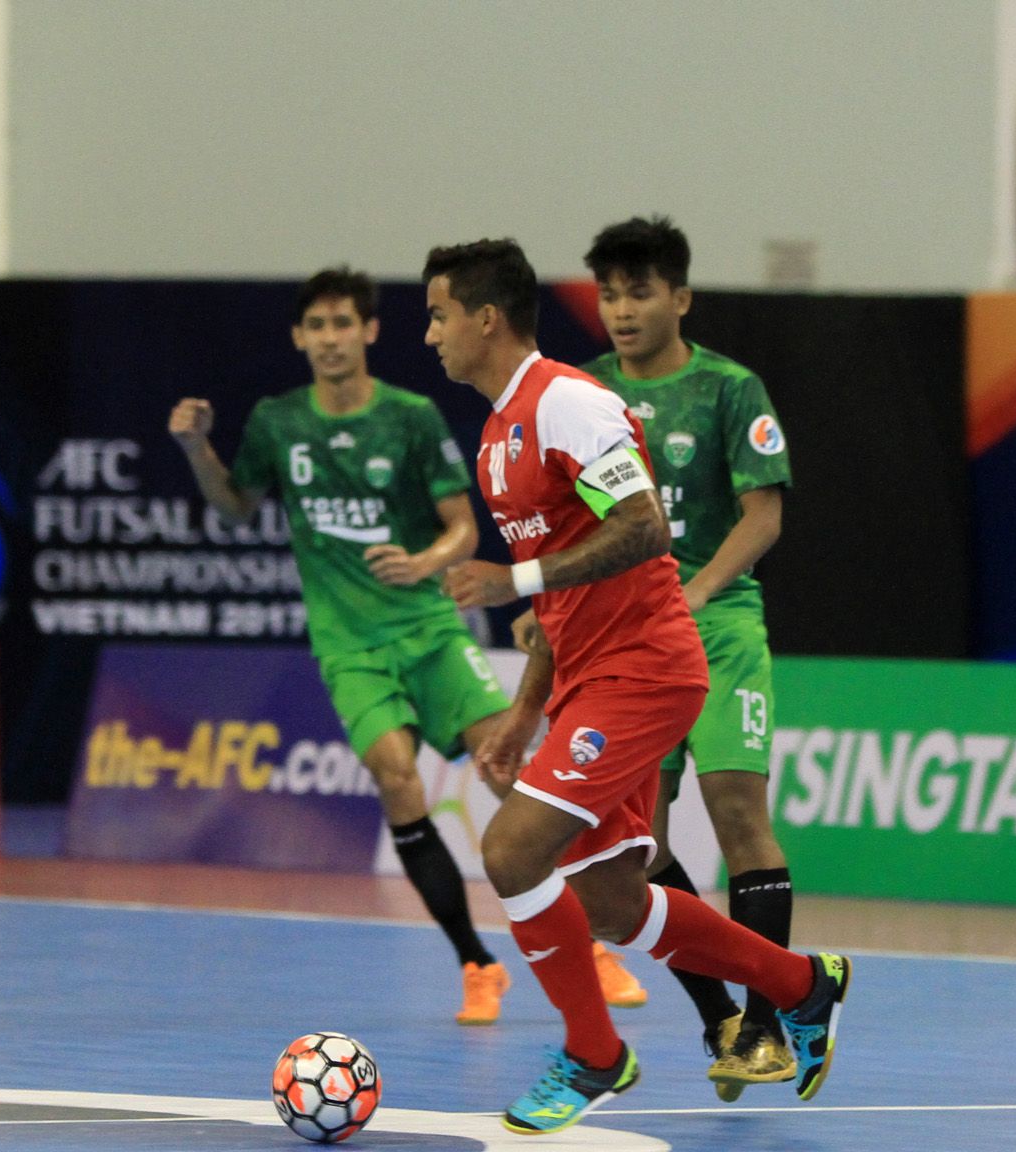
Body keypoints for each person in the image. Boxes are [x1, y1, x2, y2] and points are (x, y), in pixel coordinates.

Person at [425, 238, 848, 1134]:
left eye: (438, 315)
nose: (432, 336)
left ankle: (594, 1054)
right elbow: (564, 590)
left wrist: (513, 583)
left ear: (486, 318)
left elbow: (648, 526)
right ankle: (803, 985)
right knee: (611, 901)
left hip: (648, 668)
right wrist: (526, 709)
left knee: (509, 853)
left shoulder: (568, 402)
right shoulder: (500, 434)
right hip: (586, 677)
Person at [167, 266, 648, 1026]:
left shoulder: (412, 416)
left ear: (368, 332)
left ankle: (591, 941)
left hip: (427, 628)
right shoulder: (277, 421)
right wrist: (198, 449)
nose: (329, 339)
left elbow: (461, 525)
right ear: (299, 338)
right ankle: (477, 963)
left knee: (506, 766)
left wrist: (426, 561)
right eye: (315, 327)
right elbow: (234, 508)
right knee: (396, 777)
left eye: (343, 324)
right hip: (348, 643)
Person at [572, 214, 800, 1099]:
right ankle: (722, 1019)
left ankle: (773, 1019)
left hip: (719, 625)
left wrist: (697, 590)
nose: (622, 310)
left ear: (681, 297)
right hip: (626, 638)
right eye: (609, 294)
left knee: (739, 816)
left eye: (639, 292)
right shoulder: (585, 396)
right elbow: (585, 522)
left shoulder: (728, 389)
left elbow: (764, 515)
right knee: (634, 851)